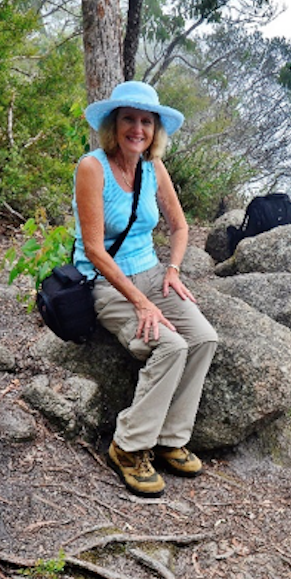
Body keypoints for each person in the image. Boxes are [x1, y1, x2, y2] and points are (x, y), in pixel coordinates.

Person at [74, 81, 217, 498]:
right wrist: (139, 303)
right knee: (170, 346)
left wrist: (172, 268)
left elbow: (180, 226)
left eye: (146, 122)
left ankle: (171, 438)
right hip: (107, 283)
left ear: (156, 130)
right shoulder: (93, 167)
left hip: (153, 274)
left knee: (204, 338)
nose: (137, 129)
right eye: (129, 119)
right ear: (113, 125)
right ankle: (129, 446)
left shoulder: (154, 169)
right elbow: (95, 250)